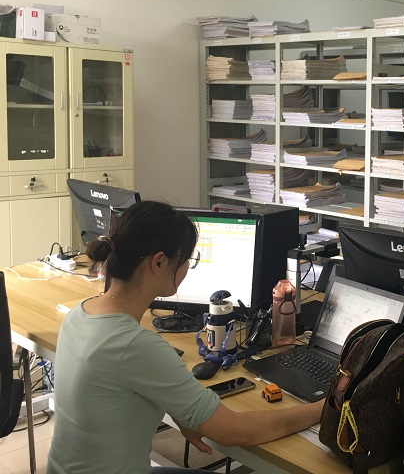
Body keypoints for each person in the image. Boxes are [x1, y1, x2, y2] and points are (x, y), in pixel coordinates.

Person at [47, 201, 323, 474]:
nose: (187, 268)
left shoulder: (81, 312)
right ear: (158, 262)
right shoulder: (135, 345)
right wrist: (322, 409)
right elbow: (232, 431)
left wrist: (183, 412)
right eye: (188, 260)